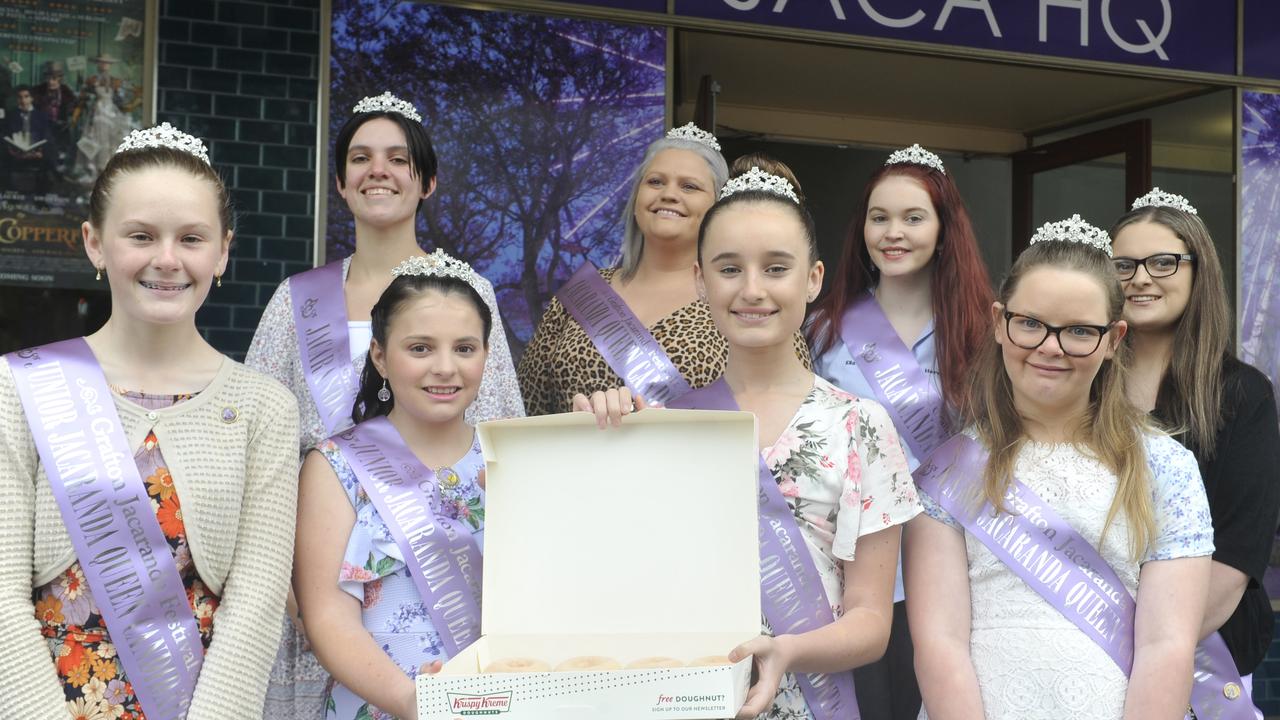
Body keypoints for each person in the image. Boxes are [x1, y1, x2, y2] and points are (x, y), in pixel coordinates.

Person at [0, 124, 300, 718]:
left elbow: (257, 602)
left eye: (191, 238)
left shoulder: (265, 408)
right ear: (94, 243)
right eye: (141, 235)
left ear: (223, 252)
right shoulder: (19, 387)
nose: (167, 259)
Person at [247, 90, 520, 720]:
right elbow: (259, 440)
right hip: (316, 569)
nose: (379, 170)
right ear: (339, 182)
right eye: (362, 157)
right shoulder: (298, 300)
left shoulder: (466, 290)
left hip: (439, 562)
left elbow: (502, 421)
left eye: (398, 159)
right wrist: (279, 565)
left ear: (426, 180)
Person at [906, 215, 1215, 719]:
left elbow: (1167, 645)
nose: (1050, 347)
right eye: (1030, 323)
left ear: (1114, 340)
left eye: (1078, 331)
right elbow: (940, 642)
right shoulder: (947, 471)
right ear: (999, 322)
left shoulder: (1166, 468)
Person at [661, 163, 922, 720]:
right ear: (699, 280)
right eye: (729, 269)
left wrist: (788, 652)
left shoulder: (861, 426)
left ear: (813, 278)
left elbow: (872, 624)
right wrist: (594, 438)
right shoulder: (662, 426)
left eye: (776, 268)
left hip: (814, 702)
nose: (752, 290)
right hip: (681, 701)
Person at [804, 144, 992, 719]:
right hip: (852, 565)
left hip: (953, 563)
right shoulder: (824, 328)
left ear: (943, 228)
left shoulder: (984, 331)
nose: (893, 232)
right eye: (878, 217)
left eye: (913, 217)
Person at [295, 252, 488, 720]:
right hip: (384, 706)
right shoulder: (335, 466)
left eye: (464, 348)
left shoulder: (511, 460)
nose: (445, 367)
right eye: (420, 348)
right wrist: (411, 702)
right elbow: (326, 617)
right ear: (380, 356)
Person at [1111, 189, 1280, 706]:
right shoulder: (1085, 385)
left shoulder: (1241, 393)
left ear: (1197, 270)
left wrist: (1147, 649)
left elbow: (1235, 554)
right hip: (1080, 637)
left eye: (1163, 262)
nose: (1140, 278)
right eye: (1123, 265)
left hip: (1204, 651)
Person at [518, 125, 811, 416]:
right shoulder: (580, 296)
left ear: (718, 208)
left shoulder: (742, 300)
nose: (669, 194)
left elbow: (792, 417)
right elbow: (527, 408)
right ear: (636, 199)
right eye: (656, 182)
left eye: (689, 186)